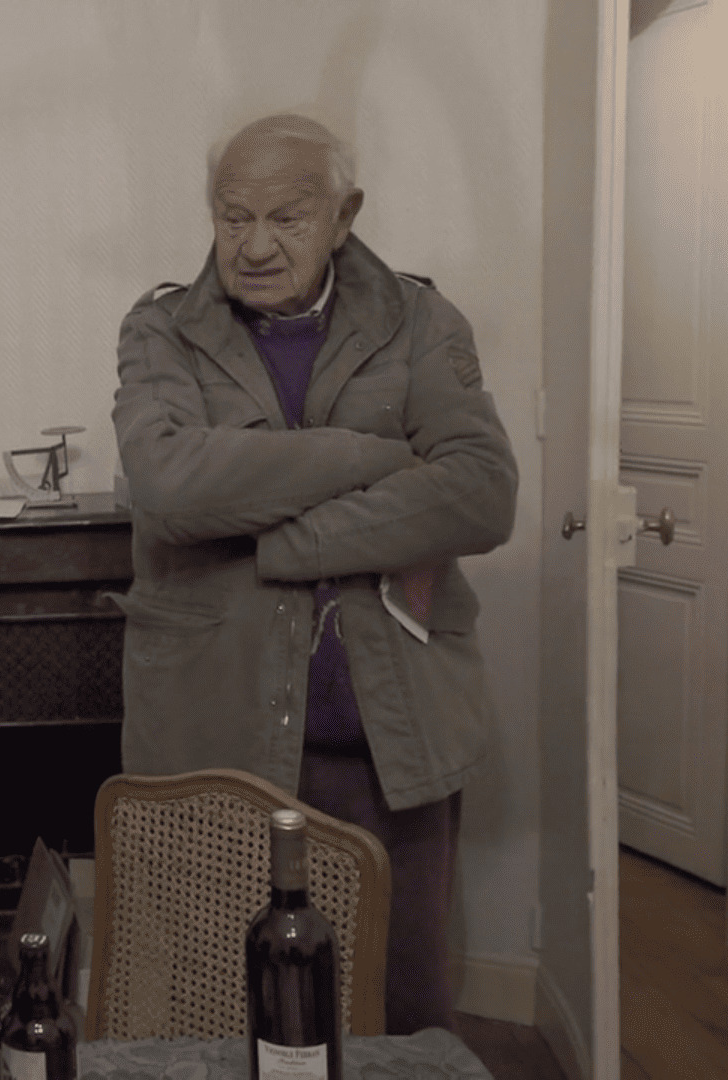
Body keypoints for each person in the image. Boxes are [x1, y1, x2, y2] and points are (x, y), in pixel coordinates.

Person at [111, 114, 517, 1034]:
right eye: (233, 217)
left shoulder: (420, 322)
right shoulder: (161, 328)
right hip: (215, 741)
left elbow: (481, 493)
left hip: (391, 745)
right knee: (217, 1007)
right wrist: (373, 454)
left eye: (287, 218)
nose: (255, 246)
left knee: (396, 1009)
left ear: (344, 214)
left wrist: (286, 542)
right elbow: (168, 485)